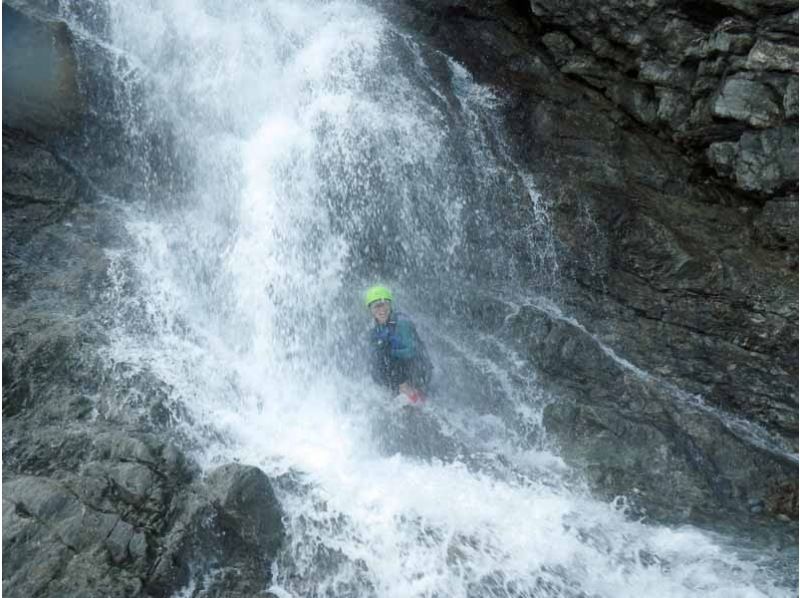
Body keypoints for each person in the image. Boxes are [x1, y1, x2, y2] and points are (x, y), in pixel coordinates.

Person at [364, 285, 432, 402]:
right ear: (371, 310)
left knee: (384, 351)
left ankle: (410, 391)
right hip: (401, 370)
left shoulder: (401, 324)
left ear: (390, 305)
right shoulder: (376, 328)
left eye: (384, 305)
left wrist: (389, 350)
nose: (382, 310)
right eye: (377, 307)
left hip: (417, 370)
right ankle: (396, 390)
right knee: (375, 356)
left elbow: (411, 352)